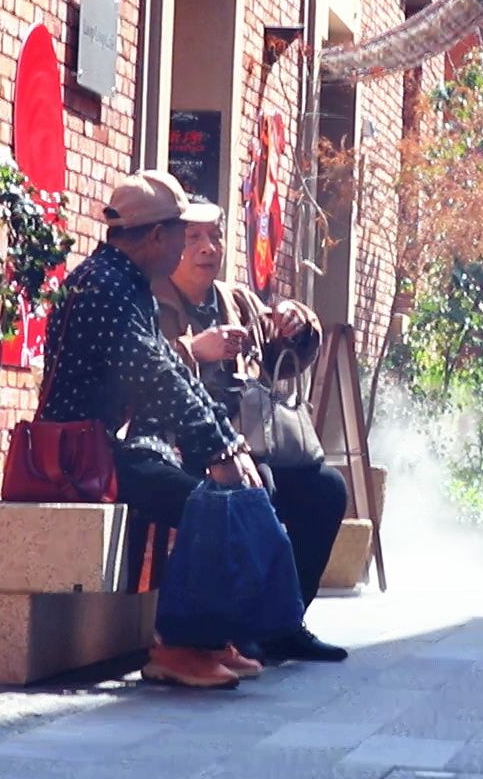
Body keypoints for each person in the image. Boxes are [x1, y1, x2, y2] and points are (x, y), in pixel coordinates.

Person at [40, 170, 276, 689]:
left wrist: (229, 443)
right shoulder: (104, 289)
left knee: (239, 485)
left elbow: (171, 371)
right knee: (204, 502)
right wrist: (216, 448)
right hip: (74, 459)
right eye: (181, 234)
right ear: (155, 236)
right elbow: (155, 376)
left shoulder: (126, 284)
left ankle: (209, 639)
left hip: (101, 449)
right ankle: (180, 646)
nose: (186, 247)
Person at [150, 211, 349, 664]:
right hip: (189, 448)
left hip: (254, 441)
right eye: (194, 237)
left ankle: (286, 623)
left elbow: (286, 359)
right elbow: (142, 372)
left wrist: (298, 324)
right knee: (259, 485)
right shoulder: (153, 302)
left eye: (215, 237)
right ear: (171, 243)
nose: (207, 248)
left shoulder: (236, 300)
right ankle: (242, 629)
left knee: (326, 488)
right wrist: (194, 350)